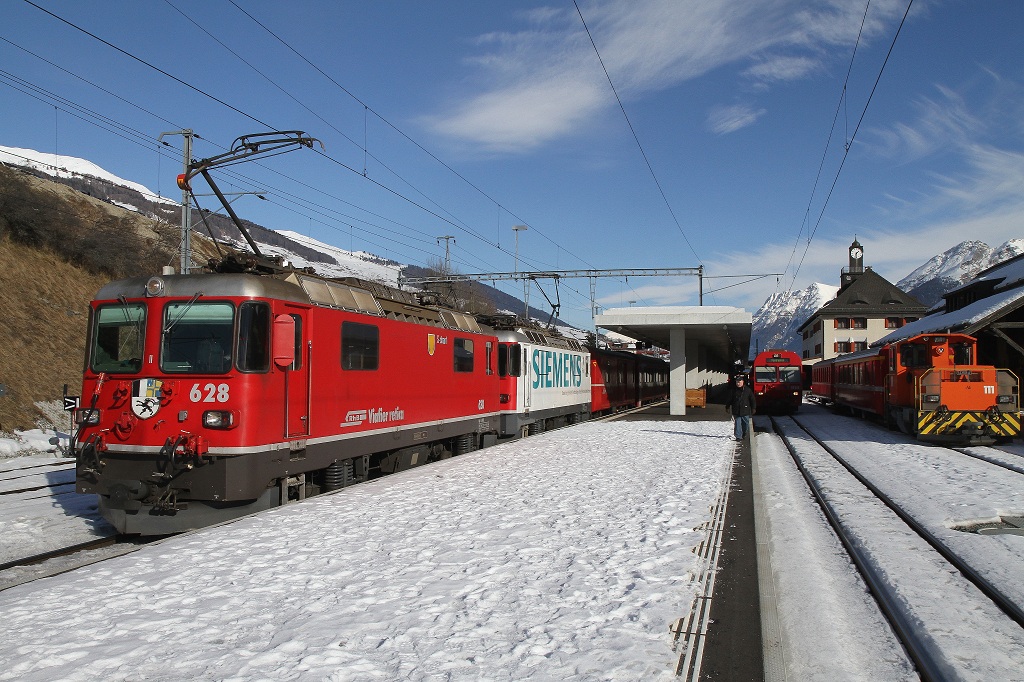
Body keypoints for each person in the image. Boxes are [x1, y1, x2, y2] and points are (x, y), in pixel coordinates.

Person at [727, 374, 756, 441]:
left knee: (745, 424)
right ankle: (738, 436)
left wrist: (753, 408)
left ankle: (744, 433)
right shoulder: (733, 390)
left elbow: (752, 399)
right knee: (737, 423)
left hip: (745, 410)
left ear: (743, 382)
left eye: (739, 382)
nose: (738, 383)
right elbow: (730, 399)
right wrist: (727, 407)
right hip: (736, 410)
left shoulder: (748, 390)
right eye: (737, 382)